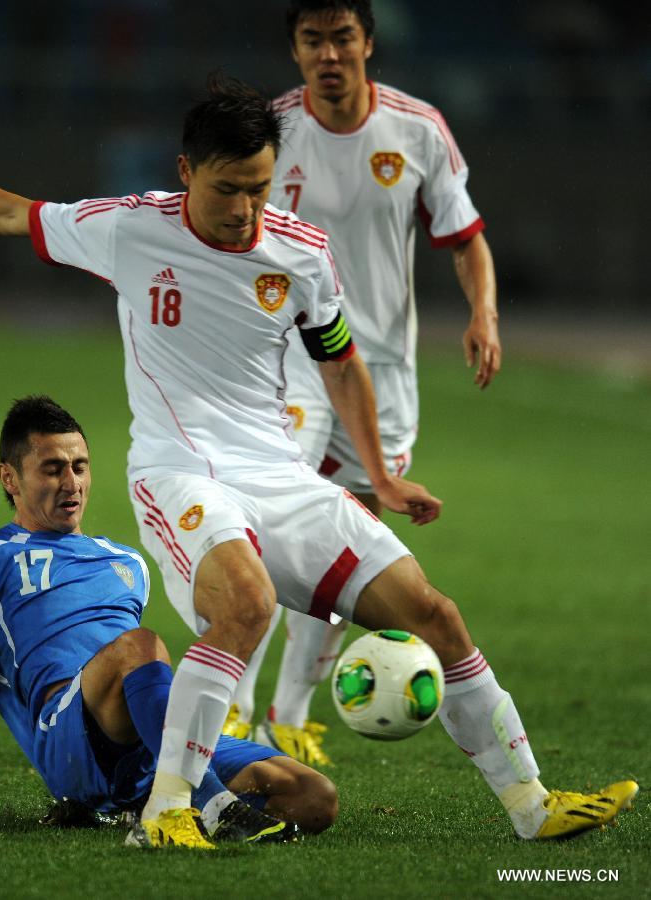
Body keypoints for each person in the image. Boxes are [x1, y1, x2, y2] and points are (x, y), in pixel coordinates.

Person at [0, 76, 636, 842]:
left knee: (437, 616)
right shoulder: (131, 227)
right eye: (228, 188)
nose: (245, 210)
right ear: (187, 173)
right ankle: (165, 814)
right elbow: (16, 213)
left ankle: (532, 805)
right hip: (179, 472)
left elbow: (339, 361)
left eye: (260, 188)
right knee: (248, 607)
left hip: (279, 475)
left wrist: (382, 473)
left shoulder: (300, 253)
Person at [0, 395, 339, 850]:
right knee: (140, 644)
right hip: (67, 734)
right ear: (9, 477)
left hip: (146, 731)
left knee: (314, 799)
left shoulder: (127, 562)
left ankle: (146, 803)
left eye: (80, 466)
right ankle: (204, 803)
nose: (71, 482)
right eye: (52, 468)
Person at [224, 0, 502, 766]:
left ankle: (288, 713)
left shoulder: (417, 130)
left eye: (342, 37)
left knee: (352, 545)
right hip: (289, 363)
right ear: (295, 52)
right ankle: (233, 713)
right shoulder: (271, 133)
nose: (329, 54)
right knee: (268, 531)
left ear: (367, 43)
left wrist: (483, 314)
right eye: (312, 40)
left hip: (381, 373)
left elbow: (466, 239)